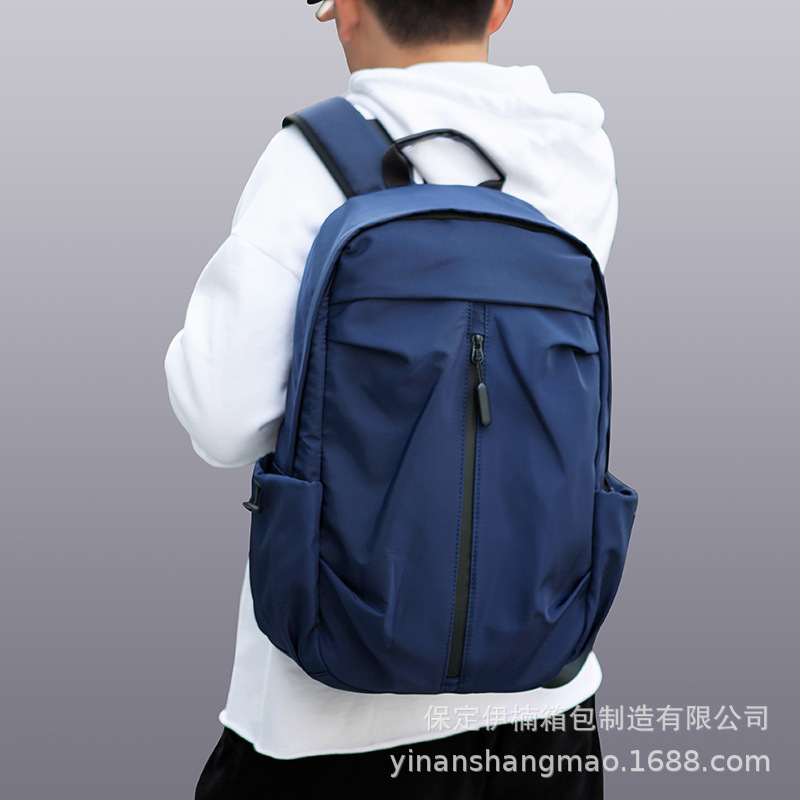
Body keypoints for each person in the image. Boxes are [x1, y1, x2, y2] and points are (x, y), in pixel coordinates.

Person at [165, 1, 618, 797]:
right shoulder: (576, 150)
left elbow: (221, 417)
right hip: (543, 695)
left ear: (344, 10)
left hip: (330, 721)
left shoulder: (310, 159)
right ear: (501, 6)